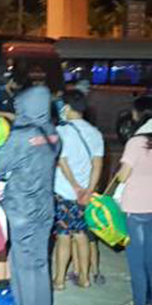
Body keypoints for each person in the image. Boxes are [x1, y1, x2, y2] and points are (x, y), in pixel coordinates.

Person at [0, 85, 59, 305]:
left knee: (22, 265)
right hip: (45, 207)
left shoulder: (20, 136)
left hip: (22, 208)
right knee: (40, 263)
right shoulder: (53, 133)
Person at [109, 96, 152, 305]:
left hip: (135, 208)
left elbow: (123, 176)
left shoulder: (136, 142)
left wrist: (120, 171)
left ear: (140, 114)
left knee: (136, 262)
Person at [52, 89, 106, 291]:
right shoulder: (95, 133)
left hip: (65, 192)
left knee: (64, 236)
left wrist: (74, 186)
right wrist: (88, 190)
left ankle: (59, 280)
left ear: (67, 107)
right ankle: (84, 278)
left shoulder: (62, 131)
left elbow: (62, 161)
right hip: (85, 195)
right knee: (82, 234)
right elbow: (98, 164)